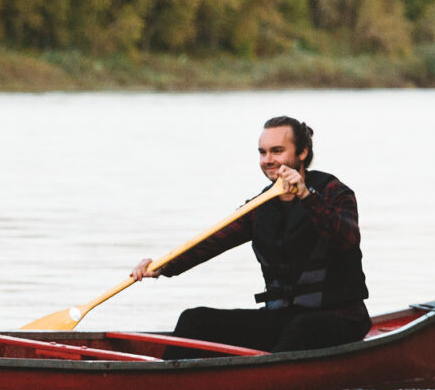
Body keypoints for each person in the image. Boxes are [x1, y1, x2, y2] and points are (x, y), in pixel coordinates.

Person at [130, 116, 369, 354]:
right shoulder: (258, 207)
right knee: (194, 320)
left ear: (303, 152)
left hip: (341, 320)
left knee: (302, 328)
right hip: (282, 318)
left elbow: (346, 240)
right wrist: (162, 266)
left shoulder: (335, 193)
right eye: (263, 153)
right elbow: (211, 242)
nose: (268, 160)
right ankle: (168, 382)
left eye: (277, 151)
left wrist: (307, 197)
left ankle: (272, 380)